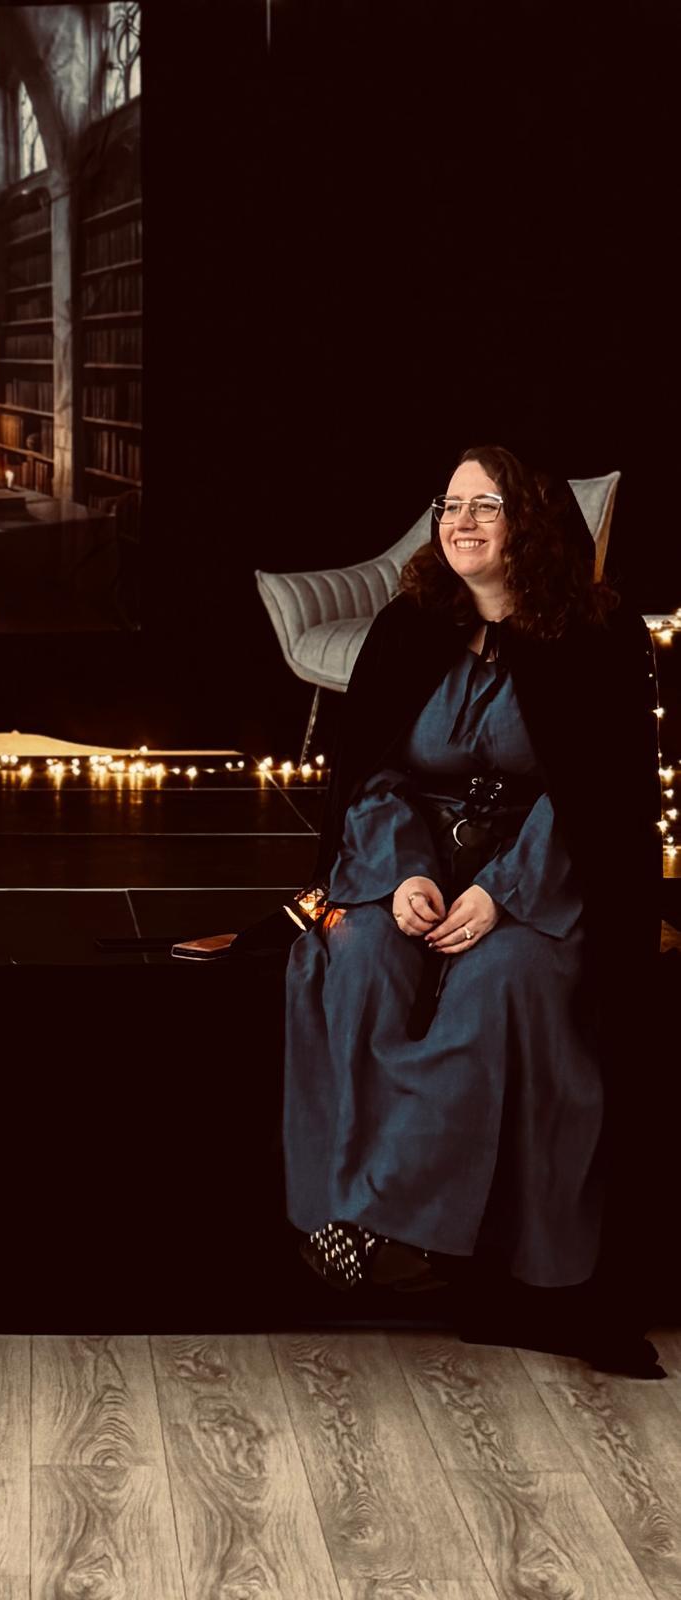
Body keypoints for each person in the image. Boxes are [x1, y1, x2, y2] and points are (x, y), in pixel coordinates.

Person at [282, 444, 666, 1377]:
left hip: (541, 878)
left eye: (485, 504)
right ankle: (360, 1213)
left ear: (530, 520)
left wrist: (504, 892)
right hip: (409, 860)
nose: (460, 522)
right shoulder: (410, 625)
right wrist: (403, 874)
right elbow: (372, 774)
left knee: (503, 981)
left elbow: (599, 799)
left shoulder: (597, 635)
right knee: (357, 953)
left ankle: (380, 1221)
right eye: (450, 505)